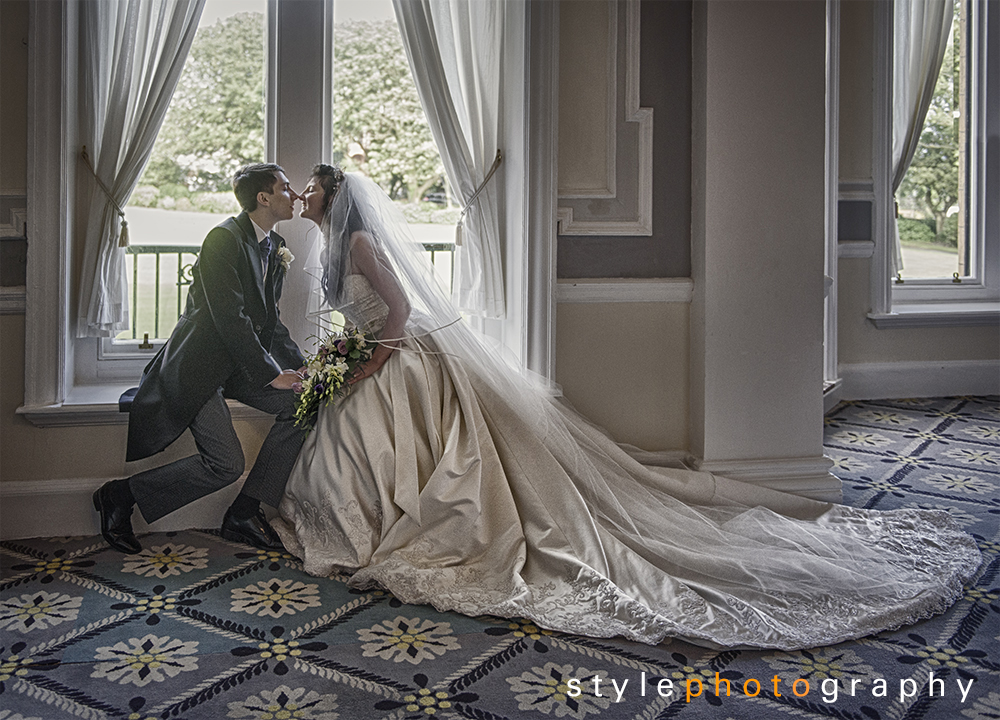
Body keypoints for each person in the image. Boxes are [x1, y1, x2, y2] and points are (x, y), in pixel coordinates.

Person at [272, 164, 981, 650]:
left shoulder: (360, 239)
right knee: (352, 447)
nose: (303, 194)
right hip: (374, 359)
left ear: (336, 197)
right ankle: (347, 529)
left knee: (448, 463)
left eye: (311, 188)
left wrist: (369, 362)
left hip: (400, 359)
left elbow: (396, 309)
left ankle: (387, 532)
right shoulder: (332, 245)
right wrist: (343, 360)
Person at [94, 164, 307, 554]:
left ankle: (243, 512)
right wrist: (270, 373)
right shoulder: (223, 239)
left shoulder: (274, 247)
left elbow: (269, 320)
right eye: (286, 187)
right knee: (226, 465)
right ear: (263, 197)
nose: (293, 195)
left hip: (238, 367)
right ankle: (120, 495)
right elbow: (230, 317)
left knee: (302, 405)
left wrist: (299, 366)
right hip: (199, 367)